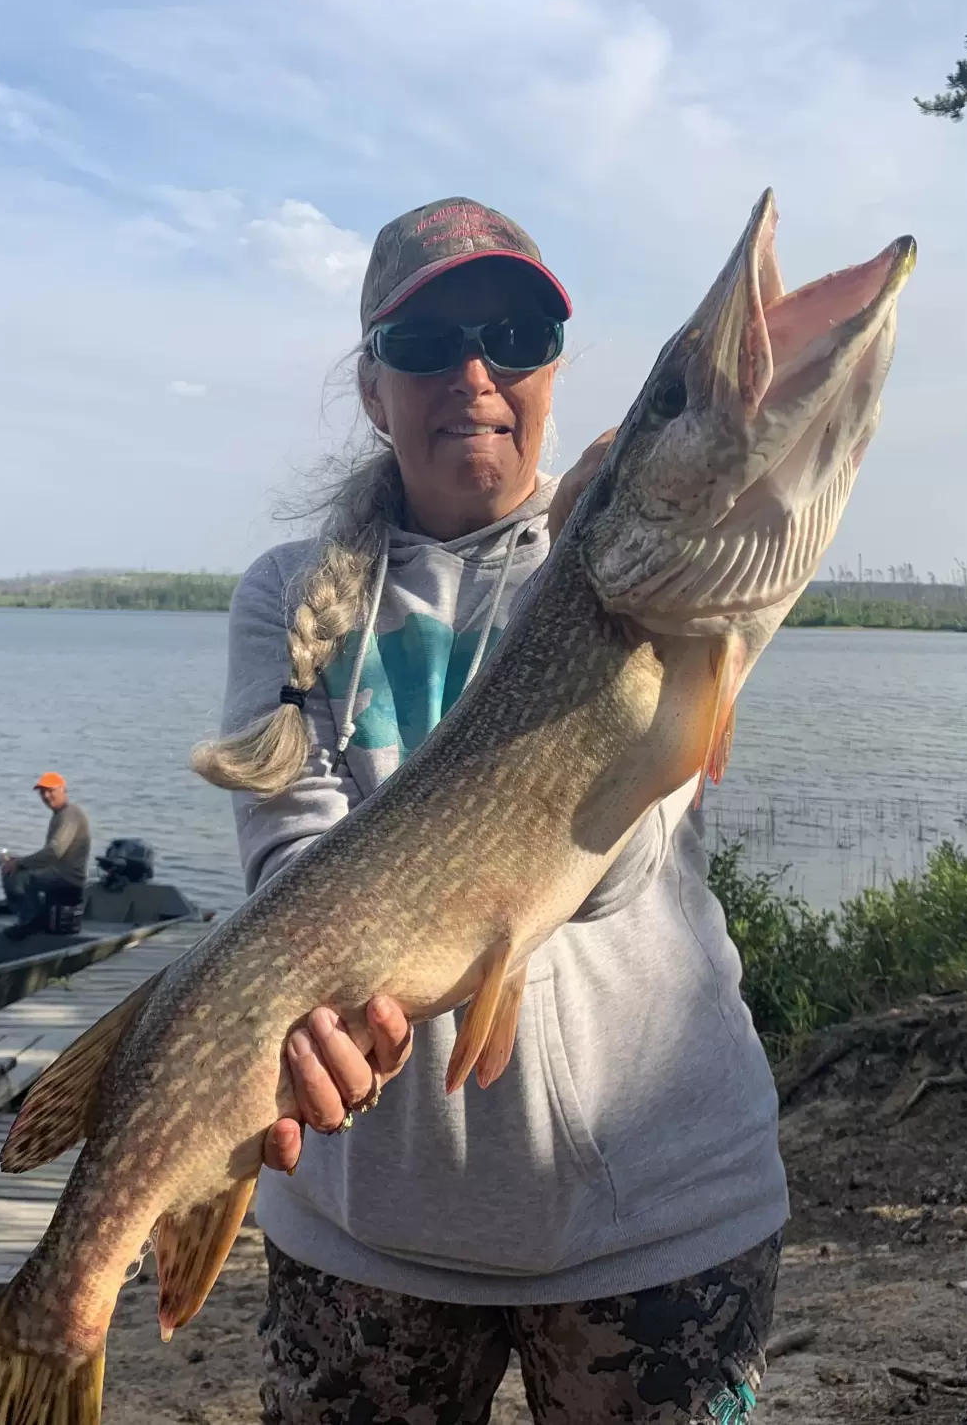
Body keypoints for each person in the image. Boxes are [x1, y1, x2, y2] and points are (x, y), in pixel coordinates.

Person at [196, 197, 788, 1423]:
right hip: (367, 1233)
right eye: (425, 345)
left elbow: (613, 869)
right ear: (373, 389)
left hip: (657, 1215)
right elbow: (291, 868)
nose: (474, 374)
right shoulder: (288, 596)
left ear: (552, 371)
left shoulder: (622, 558)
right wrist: (303, 1018)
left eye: (514, 337)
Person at [0, 771, 91, 940]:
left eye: (50, 791)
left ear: (63, 789)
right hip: (58, 870)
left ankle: (30, 922)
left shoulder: (69, 814)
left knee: (16, 875)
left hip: (67, 876)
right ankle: (33, 914)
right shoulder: (60, 814)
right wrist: (17, 861)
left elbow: (54, 852)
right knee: (9, 864)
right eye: (43, 792)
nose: (46, 796)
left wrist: (19, 864)